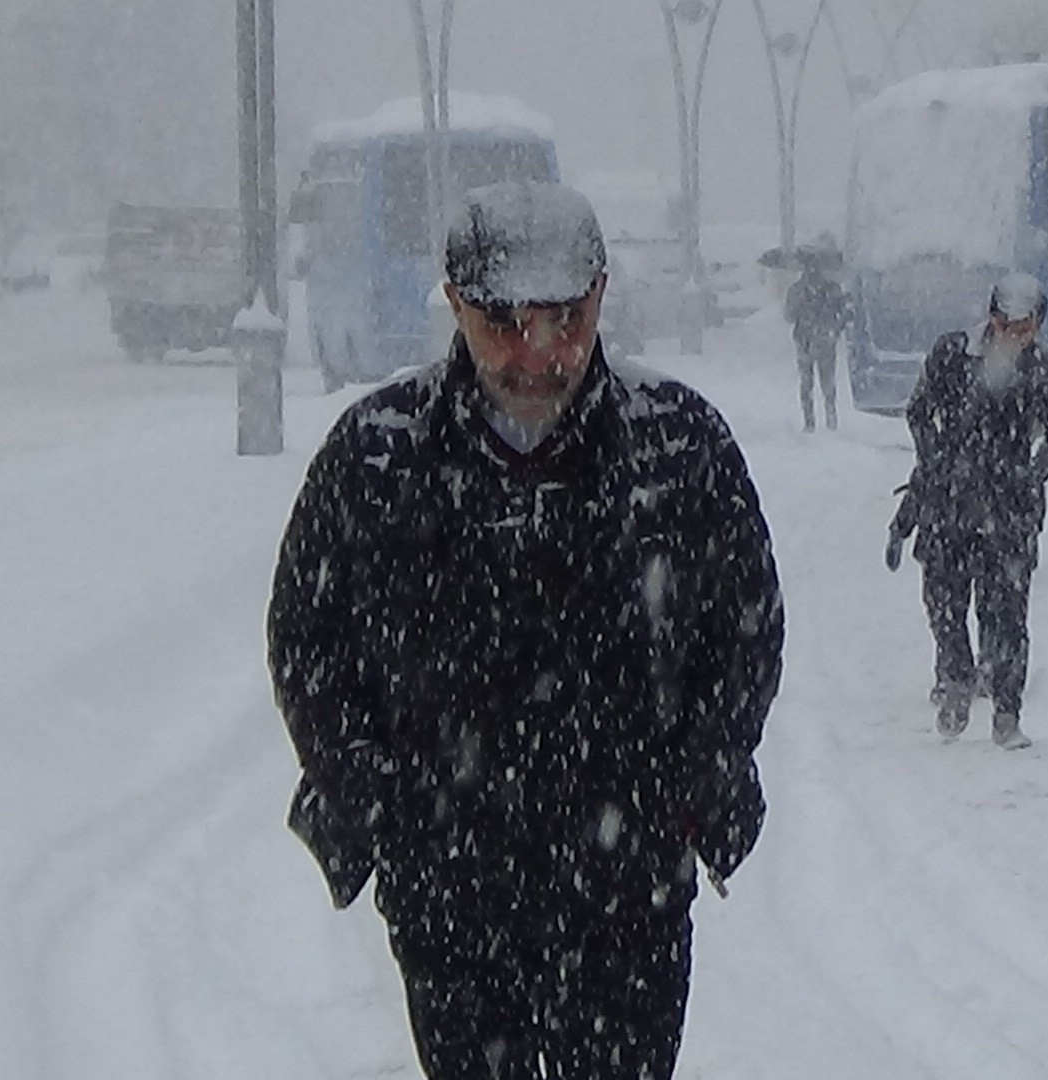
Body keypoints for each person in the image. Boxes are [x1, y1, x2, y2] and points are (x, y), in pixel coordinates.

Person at [268, 179, 785, 1080]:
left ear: (600, 297)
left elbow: (747, 630)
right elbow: (309, 640)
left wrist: (700, 772)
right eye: (505, 324)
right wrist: (374, 794)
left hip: (629, 889)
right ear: (456, 305)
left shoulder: (678, 446)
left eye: (566, 319)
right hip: (449, 891)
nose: (540, 352)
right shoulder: (377, 456)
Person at [889, 271, 1048, 750]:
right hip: (949, 505)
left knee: (1008, 613)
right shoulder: (951, 355)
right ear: (991, 318)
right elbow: (918, 410)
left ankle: (1007, 714)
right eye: (1006, 324)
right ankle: (955, 682)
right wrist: (936, 459)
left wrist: (1032, 474)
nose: (1015, 335)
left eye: (1025, 327)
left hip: (1009, 512)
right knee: (945, 606)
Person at [782, 238, 850, 432]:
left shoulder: (831, 289)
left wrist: (835, 330)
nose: (812, 271)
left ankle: (830, 421)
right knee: (807, 384)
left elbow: (845, 312)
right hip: (806, 342)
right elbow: (788, 315)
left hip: (824, 342)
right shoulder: (797, 290)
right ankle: (810, 422)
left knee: (827, 385)